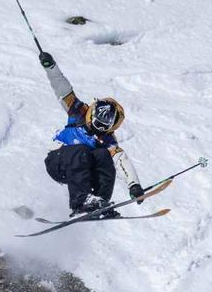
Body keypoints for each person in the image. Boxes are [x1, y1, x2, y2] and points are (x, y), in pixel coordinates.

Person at [39, 51, 145, 217]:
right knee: (81, 150)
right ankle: (80, 202)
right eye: (96, 121)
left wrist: (134, 185)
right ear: (92, 113)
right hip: (58, 161)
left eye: (103, 126)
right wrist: (51, 67)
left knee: (104, 155)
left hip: (81, 171)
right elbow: (61, 87)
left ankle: (99, 204)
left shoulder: (107, 139)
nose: (97, 127)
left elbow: (120, 160)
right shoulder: (78, 111)